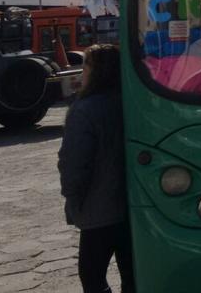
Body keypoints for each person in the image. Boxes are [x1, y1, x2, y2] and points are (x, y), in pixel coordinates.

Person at [57, 44, 135, 293]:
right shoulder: (130, 103)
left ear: (97, 70)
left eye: (86, 65)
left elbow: (74, 162)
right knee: (132, 275)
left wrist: (73, 197)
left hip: (98, 207)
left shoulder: (85, 109)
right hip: (133, 206)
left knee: (92, 276)